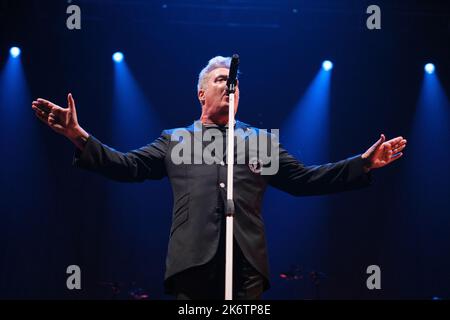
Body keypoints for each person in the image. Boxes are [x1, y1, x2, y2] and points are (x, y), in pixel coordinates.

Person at [31, 56, 407, 300]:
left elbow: (305, 180)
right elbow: (126, 166)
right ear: (201, 92)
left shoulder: (259, 141)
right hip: (192, 264)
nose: (231, 86)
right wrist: (76, 135)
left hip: (247, 267)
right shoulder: (177, 140)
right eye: (222, 79)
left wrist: (363, 163)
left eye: (236, 83)